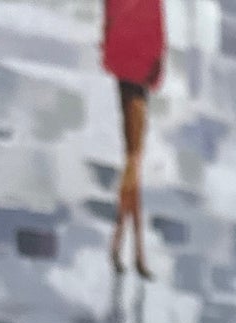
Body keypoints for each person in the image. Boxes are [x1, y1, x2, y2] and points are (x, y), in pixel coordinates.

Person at [102, 0, 165, 278]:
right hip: (138, 63)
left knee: (133, 157)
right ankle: (126, 245)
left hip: (126, 58)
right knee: (134, 158)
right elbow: (153, 22)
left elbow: (112, 13)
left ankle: (128, 247)